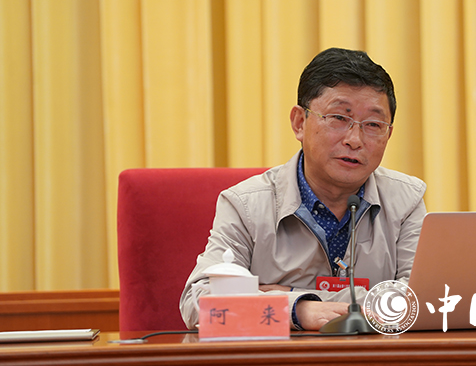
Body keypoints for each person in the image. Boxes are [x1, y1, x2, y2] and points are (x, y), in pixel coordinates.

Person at [180, 47, 427, 330]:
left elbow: (421, 301)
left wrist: (289, 295)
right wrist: (298, 310)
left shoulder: (406, 200)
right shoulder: (245, 204)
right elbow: (199, 304)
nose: (355, 140)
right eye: (339, 118)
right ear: (299, 122)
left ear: (388, 133)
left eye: (373, 124)